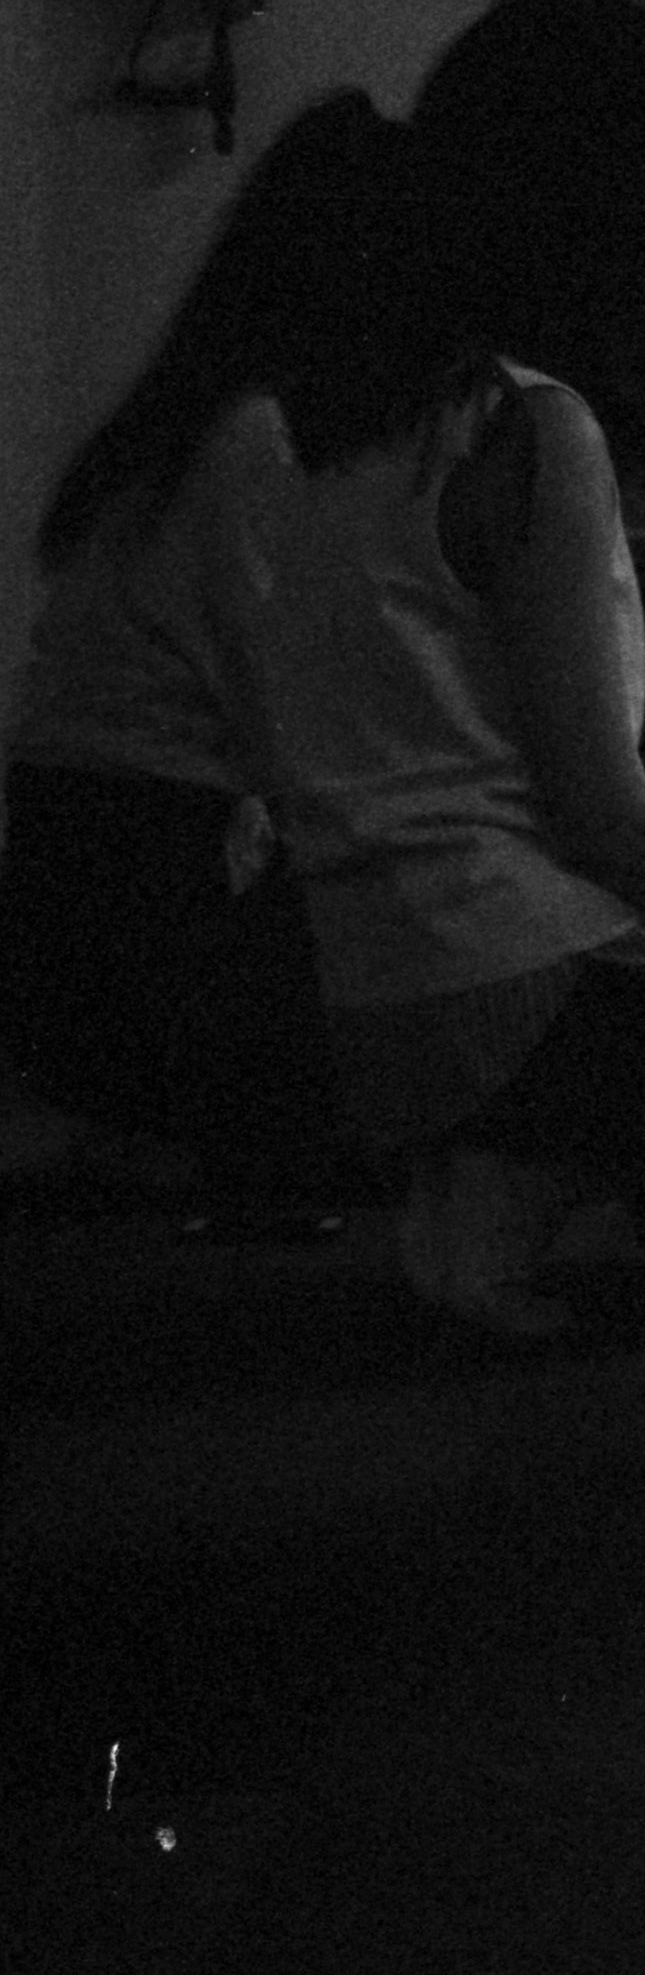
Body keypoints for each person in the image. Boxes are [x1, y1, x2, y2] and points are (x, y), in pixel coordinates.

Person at [207, 0, 645, 1338]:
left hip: (358, 990)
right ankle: (522, 1173)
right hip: (500, 983)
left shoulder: (303, 423)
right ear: (594, 198)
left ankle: (503, 1175)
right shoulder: (530, 428)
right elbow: (608, 818)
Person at [0, 94, 378, 1223]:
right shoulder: (251, 435)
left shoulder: (172, 421)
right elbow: (272, 695)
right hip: (152, 846)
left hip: (70, 827)